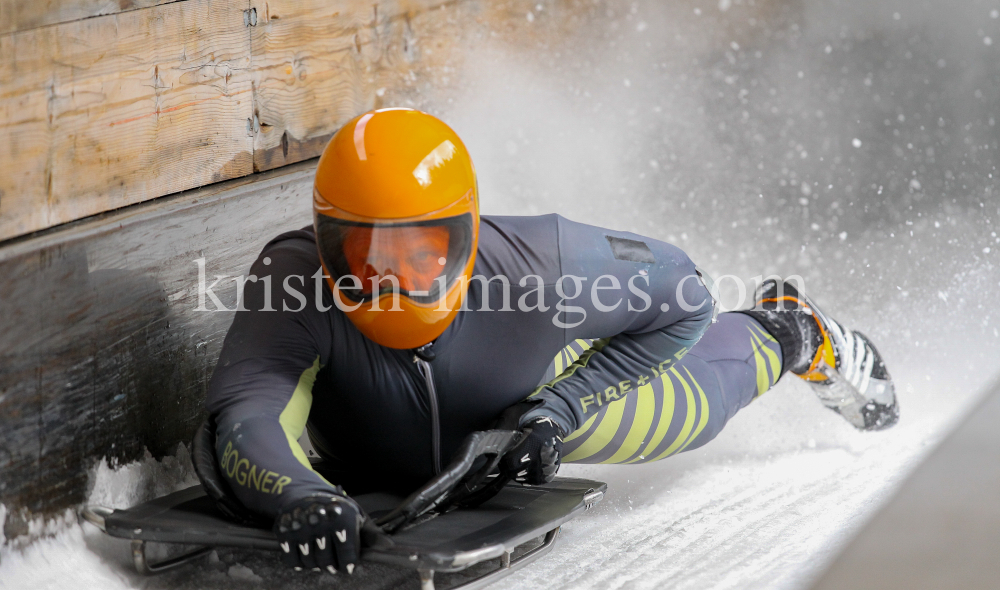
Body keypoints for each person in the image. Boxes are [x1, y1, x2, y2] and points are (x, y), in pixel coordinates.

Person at [206, 108, 898, 575]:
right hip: (383, 450)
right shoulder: (291, 281)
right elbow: (246, 412)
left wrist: (558, 411)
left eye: (421, 257)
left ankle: (789, 329)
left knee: (693, 409)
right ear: (327, 245)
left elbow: (685, 297)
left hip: (529, 400)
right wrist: (297, 493)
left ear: (466, 240)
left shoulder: (543, 268)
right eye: (366, 259)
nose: (393, 283)